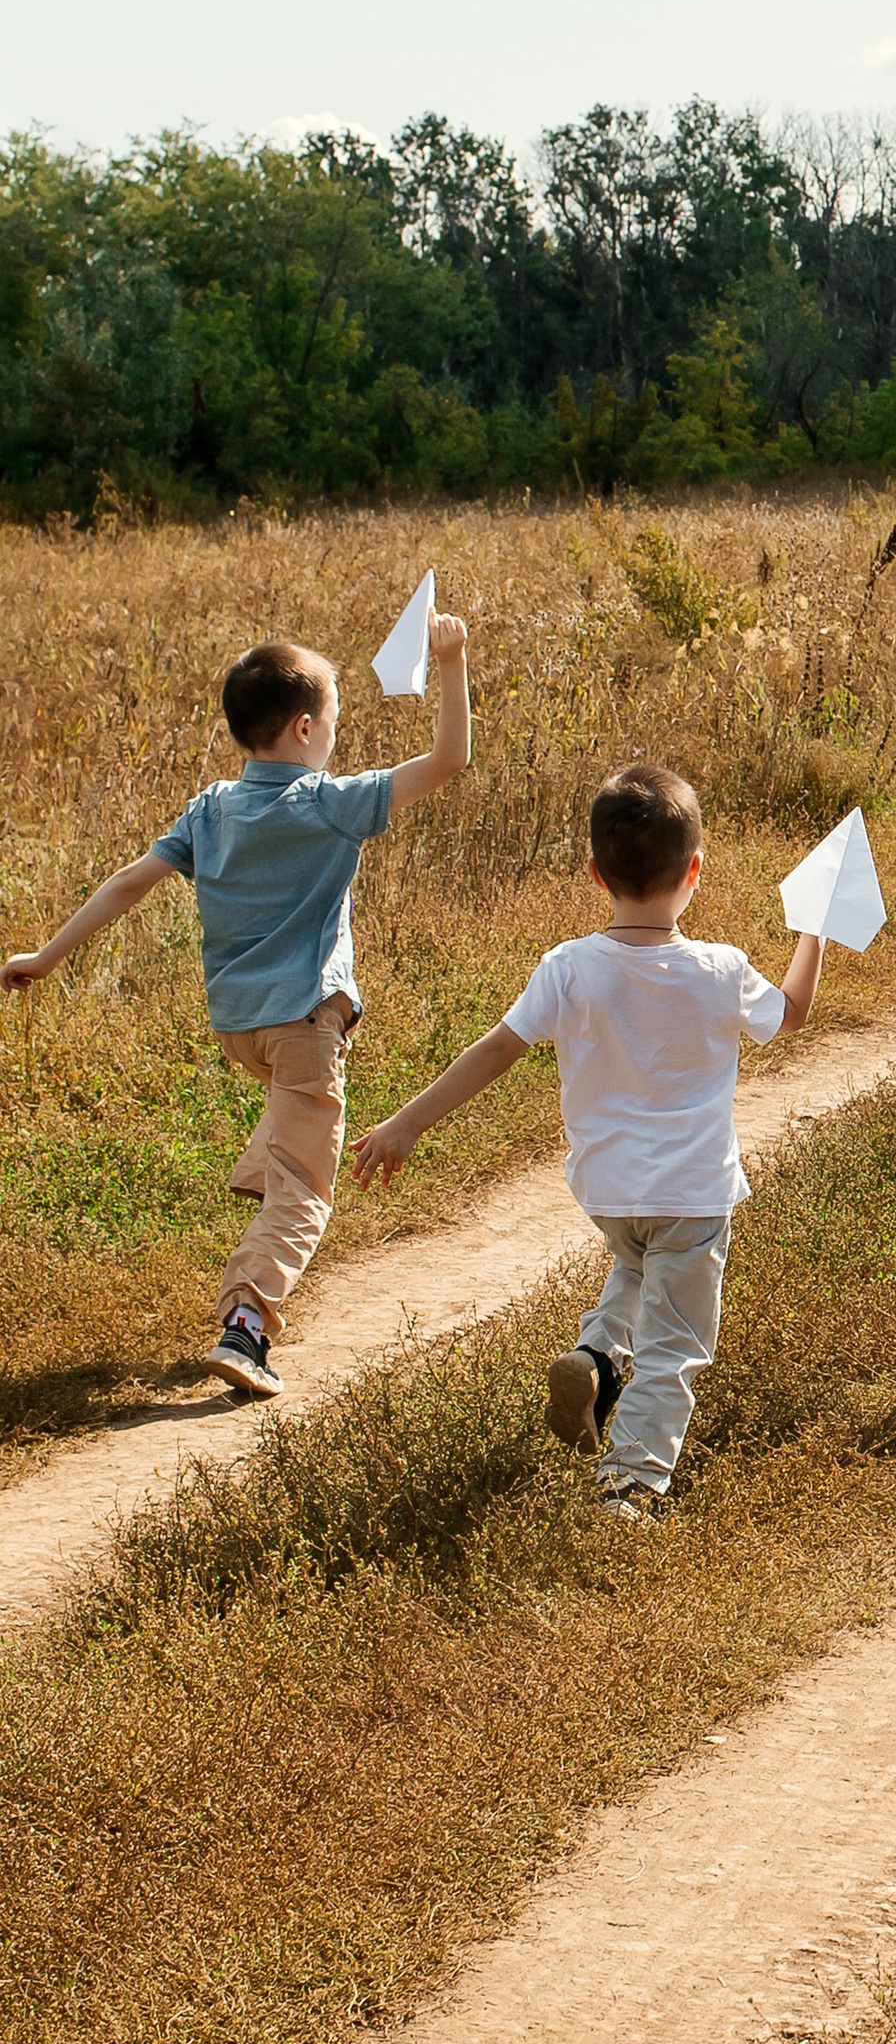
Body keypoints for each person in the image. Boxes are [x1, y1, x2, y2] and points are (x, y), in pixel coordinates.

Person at [3, 617, 473, 1398]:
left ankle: (267, 1167)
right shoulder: (328, 803)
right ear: (303, 727)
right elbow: (451, 759)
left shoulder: (211, 808)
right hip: (304, 1029)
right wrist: (451, 660)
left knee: (287, 1125)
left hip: (239, 1029)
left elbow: (128, 882)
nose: (334, 736)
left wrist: (46, 956)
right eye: (334, 722)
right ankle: (246, 1324)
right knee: (307, 1193)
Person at [349, 760, 825, 1522]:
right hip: (694, 1194)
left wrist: (407, 1122)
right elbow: (792, 1013)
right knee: (675, 1348)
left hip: (609, 1190)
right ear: (695, 871)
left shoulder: (568, 967)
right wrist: (814, 930)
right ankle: (630, 1484)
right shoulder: (721, 969)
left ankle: (597, 1357)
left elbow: (496, 1048)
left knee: (636, 1266)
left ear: (595, 874)